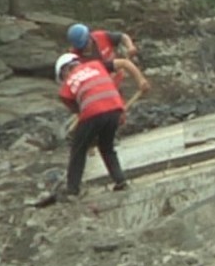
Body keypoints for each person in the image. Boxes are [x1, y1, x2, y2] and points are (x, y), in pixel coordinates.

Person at [55, 52, 151, 197]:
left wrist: (89, 138)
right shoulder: (97, 65)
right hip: (115, 107)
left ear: (65, 71)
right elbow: (124, 63)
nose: (64, 79)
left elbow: (80, 112)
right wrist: (141, 80)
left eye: (63, 77)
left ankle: (72, 190)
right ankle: (120, 180)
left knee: (78, 150)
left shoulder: (65, 89)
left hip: (92, 112)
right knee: (107, 147)